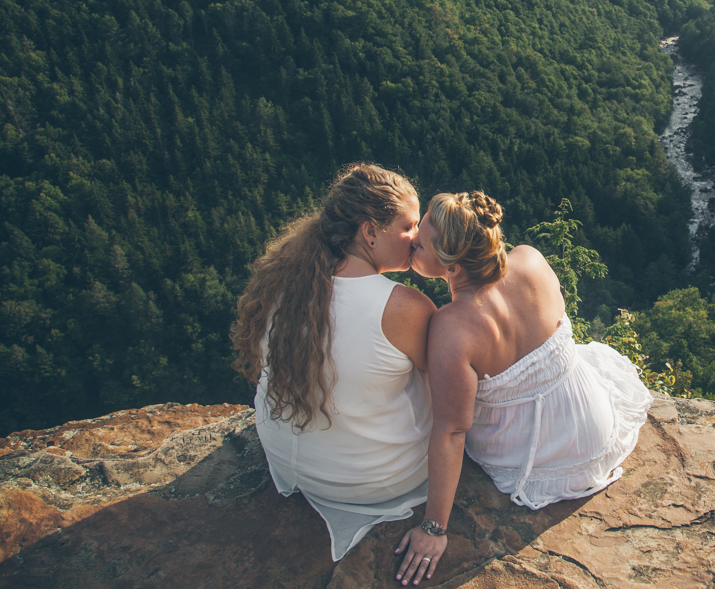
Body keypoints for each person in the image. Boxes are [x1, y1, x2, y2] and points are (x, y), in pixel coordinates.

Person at [394, 191, 652, 586]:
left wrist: (434, 529)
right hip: (592, 424)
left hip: (536, 455)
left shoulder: (451, 328)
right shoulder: (530, 259)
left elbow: (451, 432)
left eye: (422, 244)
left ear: (454, 269)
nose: (412, 242)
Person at [231, 163, 436, 561]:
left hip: (292, 465)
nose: (416, 239)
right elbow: (451, 391)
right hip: (368, 480)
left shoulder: (288, 279)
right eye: (409, 226)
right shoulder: (404, 307)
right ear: (369, 231)